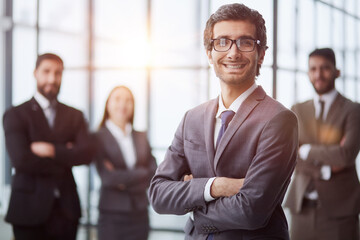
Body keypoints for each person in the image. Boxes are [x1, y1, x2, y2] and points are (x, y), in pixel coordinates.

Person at [149, 3, 298, 240]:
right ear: (209, 53)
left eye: (245, 42)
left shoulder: (279, 120)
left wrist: (193, 209)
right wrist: (215, 186)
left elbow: (251, 211)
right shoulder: (192, 118)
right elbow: (158, 195)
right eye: (222, 42)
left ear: (261, 53)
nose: (233, 52)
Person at [3, 53, 95, 240]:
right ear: (35, 73)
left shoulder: (74, 115)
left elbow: (86, 154)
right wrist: (67, 153)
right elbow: (21, 160)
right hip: (28, 211)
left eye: (58, 73)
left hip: (66, 210)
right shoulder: (15, 114)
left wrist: (51, 150)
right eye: (46, 72)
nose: (52, 79)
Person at [284, 48, 360, 240]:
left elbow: (346, 155)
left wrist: (307, 150)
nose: (318, 74)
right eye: (313, 69)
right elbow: (289, 156)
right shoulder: (297, 110)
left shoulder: (353, 110)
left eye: (325, 68)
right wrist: (325, 169)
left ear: (337, 72)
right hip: (301, 209)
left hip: (340, 212)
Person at [94, 86, 157, 240]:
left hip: (140, 215)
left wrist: (124, 180)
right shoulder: (97, 138)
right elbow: (108, 177)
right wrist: (142, 173)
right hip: (112, 217)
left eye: (128, 100)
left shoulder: (141, 136)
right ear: (107, 104)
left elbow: (154, 173)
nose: (123, 104)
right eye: (117, 99)